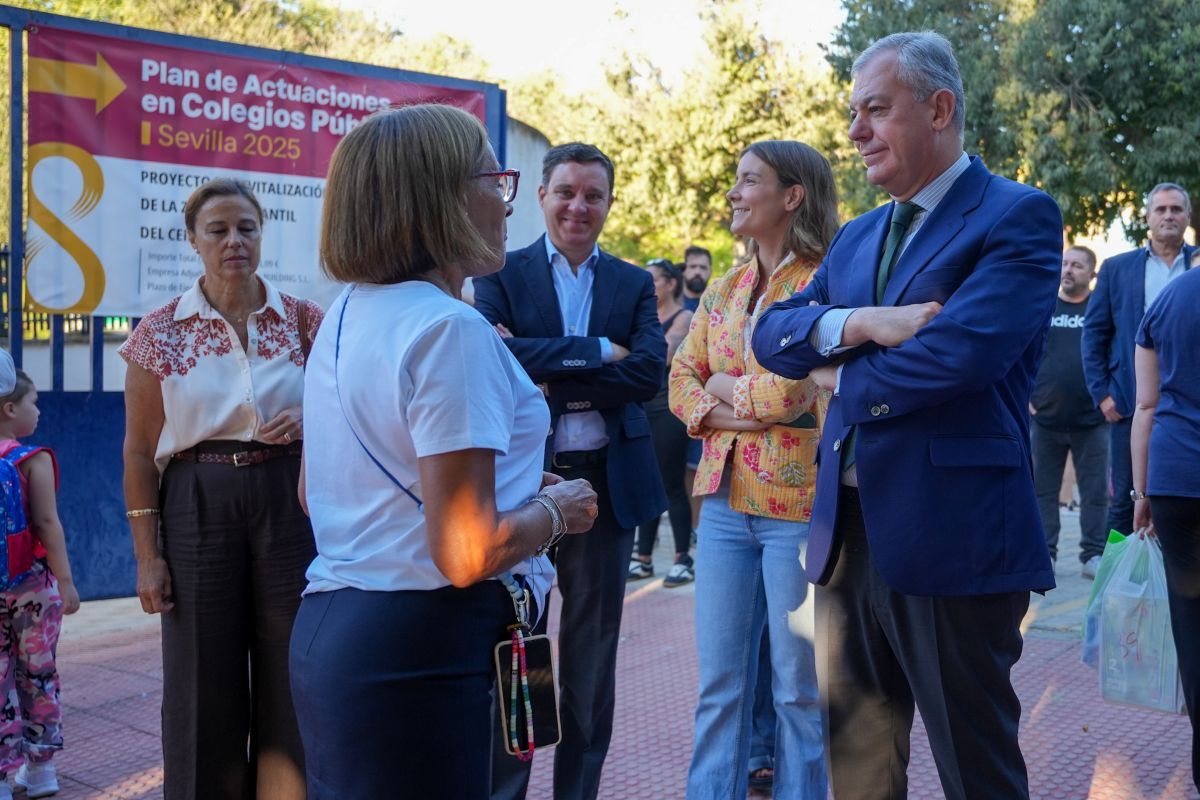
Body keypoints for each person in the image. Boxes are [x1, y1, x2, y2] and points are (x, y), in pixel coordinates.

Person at [752, 32, 1061, 799]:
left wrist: (832, 377)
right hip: (846, 540)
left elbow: (957, 357)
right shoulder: (857, 234)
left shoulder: (1016, 216)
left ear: (940, 108)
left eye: (876, 111)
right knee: (858, 771)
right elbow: (769, 333)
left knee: (976, 770)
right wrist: (855, 326)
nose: (855, 132)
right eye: (853, 113)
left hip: (953, 537)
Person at [288, 105, 599, 799]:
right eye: (497, 180)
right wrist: (556, 507)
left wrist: (511, 484)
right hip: (428, 645)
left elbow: (319, 491)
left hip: (341, 630)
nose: (506, 201)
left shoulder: (346, 311)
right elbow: (467, 552)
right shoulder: (449, 329)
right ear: (443, 198)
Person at [474, 142, 667, 800]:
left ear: (609, 204)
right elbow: (496, 362)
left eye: (593, 195)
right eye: (566, 192)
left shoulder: (633, 282)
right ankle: (510, 790)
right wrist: (592, 353)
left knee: (589, 663)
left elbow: (647, 372)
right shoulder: (499, 273)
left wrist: (554, 376)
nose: (578, 207)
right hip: (528, 487)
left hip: (606, 493)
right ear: (542, 198)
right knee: (522, 653)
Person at [120, 178, 320, 800]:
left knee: (295, 668)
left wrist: (310, 420)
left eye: (246, 228)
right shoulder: (159, 332)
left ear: (262, 235)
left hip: (288, 500)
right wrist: (148, 556)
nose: (235, 241)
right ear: (193, 241)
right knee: (201, 677)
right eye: (219, 230)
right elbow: (137, 450)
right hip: (197, 502)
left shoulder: (305, 321)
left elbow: (347, 409)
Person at [670, 139, 836, 799]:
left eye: (749, 181)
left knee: (798, 688)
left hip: (795, 507)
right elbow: (682, 377)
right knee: (720, 684)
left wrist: (723, 397)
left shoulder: (825, 280)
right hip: (721, 506)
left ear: (791, 195)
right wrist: (729, 407)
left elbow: (796, 388)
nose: (734, 193)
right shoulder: (726, 285)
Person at [1083, 183, 1195, 536]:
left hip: (1189, 407)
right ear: (1147, 217)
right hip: (1131, 406)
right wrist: (1102, 394)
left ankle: (1173, 578)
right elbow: (1095, 334)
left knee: (1182, 501)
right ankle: (1114, 588)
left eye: (1176, 209)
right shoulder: (1118, 268)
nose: (1168, 216)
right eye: (1160, 210)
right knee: (1126, 502)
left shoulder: (1197, 265)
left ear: (1188, 217)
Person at [1131, 265, 1200, 794]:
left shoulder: (1171, 297)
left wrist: (1141, 493)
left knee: (1193, 633)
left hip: (1178, 479)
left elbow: (1147, 405)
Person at [0, 355, 80, 800]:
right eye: (34, 401)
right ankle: (42, 771)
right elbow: (48, 525)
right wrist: (65, 582)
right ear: (9, 408)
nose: (39, 410)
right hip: (32, 590)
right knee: (39, 675)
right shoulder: (32, 459)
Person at [1030, 245, 1109, 577]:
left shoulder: (1099, 308)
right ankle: (1045, 553)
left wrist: (1109, 398)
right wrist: (1025, 398)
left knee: (1094, 494)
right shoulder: (1044, 306)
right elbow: (1023, 350)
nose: (1068, 270)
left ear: (1091, 273)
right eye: (1064, 263)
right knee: (1042, 492)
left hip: (1092, 420)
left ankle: (1092, 555)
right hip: (1044, 419)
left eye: (1077, 265)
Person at [629, 258, 694, 586]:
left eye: (652, 280)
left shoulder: (684, 318)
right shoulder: (643, 317)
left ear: (670, 283)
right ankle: (643, 558)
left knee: (670, 483)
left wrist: (626, 349)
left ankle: (683, 558)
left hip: (670, 409)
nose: (646, 286)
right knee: (646, 482)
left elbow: (661, 357)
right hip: (642, 408)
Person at [681, 246, 713, 313]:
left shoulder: (718, 304)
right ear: (684, 270)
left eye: (703, 267)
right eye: (692, 267)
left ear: (710, 271)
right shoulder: (669, 303)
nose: (697, 272)